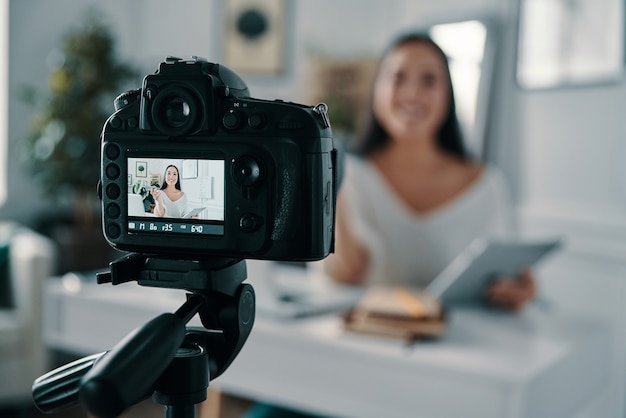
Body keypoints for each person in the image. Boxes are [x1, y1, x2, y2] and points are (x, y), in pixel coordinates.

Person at [323, 32, 535, 311]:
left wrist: (519, 290)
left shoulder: (488, 185)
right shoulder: (347, 175)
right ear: (377, 90)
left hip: (468, 349)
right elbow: (345, 274)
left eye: (429, 80)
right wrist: (331, 181)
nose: (412, 94)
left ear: (448, 95)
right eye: (398, 77)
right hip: (371, 343)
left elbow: (505, 277)